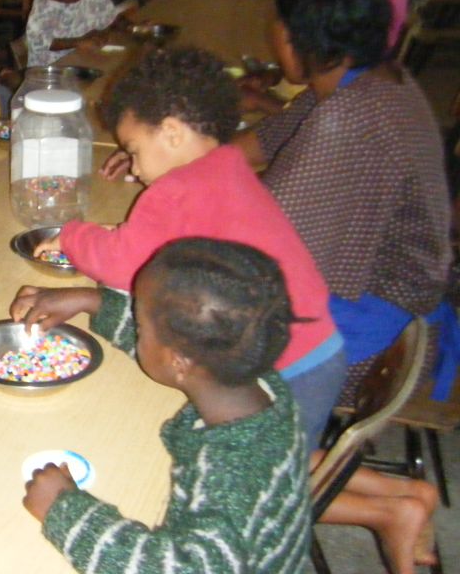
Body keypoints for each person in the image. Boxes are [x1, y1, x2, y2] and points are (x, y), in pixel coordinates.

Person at [235, 0, 448, 573]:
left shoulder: (348, 123)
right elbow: (257, 144)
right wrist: (181, 162)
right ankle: (402, 500)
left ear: (300, 39)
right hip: (394, 308)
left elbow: (261, 261)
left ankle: (384, 511)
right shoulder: (364, 81)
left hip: (370, 336)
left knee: (198, 407)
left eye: (277, 22)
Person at [32, 46, 344, 450]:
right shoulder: (229, 166)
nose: (135, 168)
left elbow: (125, 267)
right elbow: (179, 243)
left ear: (172, 133)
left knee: (267, 471)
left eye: (134, 151)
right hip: (319, 348)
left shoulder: (174, 190)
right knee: (292, 462)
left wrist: (74, 236)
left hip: (281, 369)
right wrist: (126, 233)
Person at [15, 238, 311, 573]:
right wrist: (93, 301)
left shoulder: (229, 478)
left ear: (179, 361)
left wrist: (64, 512)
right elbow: (181, 346)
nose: (136, 329)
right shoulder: (252, 381)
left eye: (140, 326)